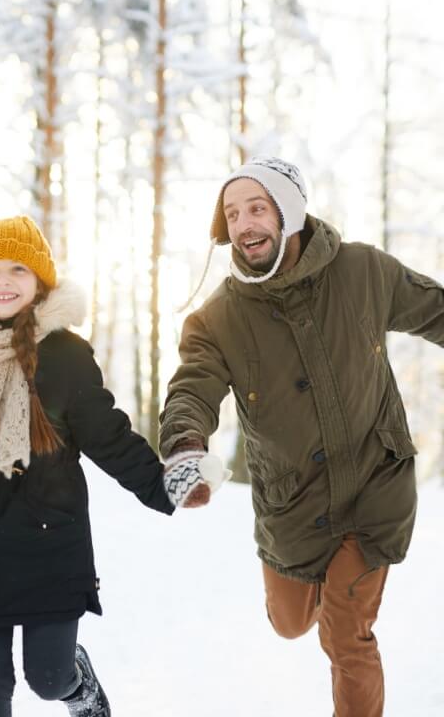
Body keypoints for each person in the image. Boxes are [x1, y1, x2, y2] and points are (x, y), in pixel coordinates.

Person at [0, 215, 229, 717]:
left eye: (17, 270)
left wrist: (165, 486)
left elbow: (107, 435)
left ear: (39, 283)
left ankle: (81, 688)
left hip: (48, 540)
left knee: (48, 677)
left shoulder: (65, 356)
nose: (2, 281)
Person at [159, 155, 444, 717]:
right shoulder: (217, 320)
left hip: (374, 483)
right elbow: (192, 388)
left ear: (288, 212)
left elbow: (438, 310)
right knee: (292, 624)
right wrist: (185, 445)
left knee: (346, 633)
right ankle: (308, 593)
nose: (244, 224)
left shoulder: (364, 271)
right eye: (233, 213)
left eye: (257, 208)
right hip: (292, 501)